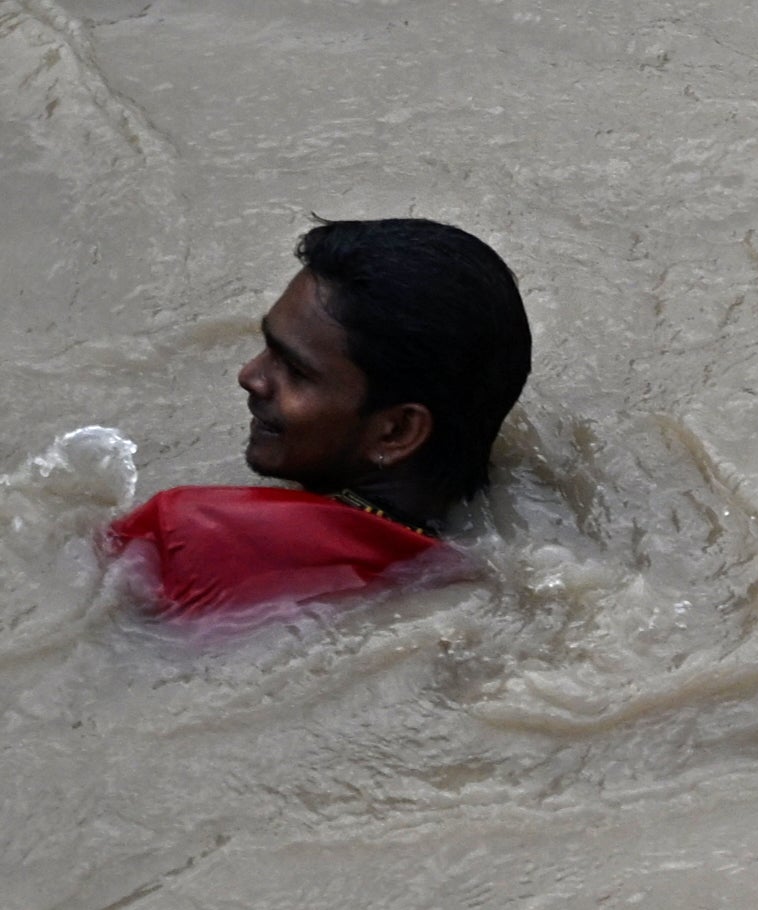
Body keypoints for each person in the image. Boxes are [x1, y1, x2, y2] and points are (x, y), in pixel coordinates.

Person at [104, 217, 533, 621]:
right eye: (268, 347)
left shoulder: (184, 539)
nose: (250, 376)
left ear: (396, 431)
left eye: (296, 370)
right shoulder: (462, 574)